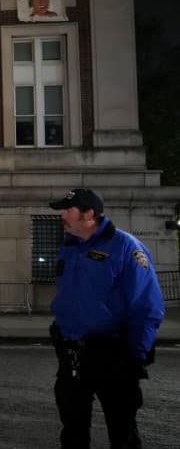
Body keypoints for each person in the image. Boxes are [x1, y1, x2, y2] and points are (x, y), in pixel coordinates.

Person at [48, 188, 164, 448]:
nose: (63, 216)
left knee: (122, 431)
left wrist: (136, 355)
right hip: (71, 355)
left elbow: (147, 305)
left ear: (89, 214)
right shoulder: (70, 247)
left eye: (68, 210)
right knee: (72, 431)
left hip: (112, 354)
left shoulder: (125, 247)